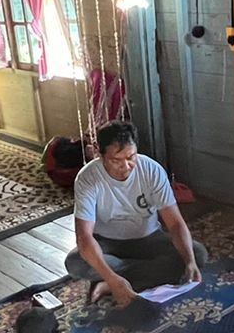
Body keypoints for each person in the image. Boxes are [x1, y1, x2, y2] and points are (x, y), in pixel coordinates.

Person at [66, 121, 208, 307]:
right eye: (116, 160)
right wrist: (112, 277)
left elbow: (174, 223)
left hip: (148, 238)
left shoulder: (151, 170)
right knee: (76, 263)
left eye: (131, 157)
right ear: (99, 155)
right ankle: (121, 278)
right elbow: (84, 237)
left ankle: (113, 281)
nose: (125, 166)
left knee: (197, 254)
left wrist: (189, 261)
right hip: (107, 242)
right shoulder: (88, 178)